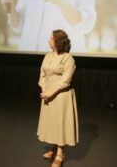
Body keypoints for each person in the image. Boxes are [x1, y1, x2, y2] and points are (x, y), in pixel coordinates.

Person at [37, 30, 78, 167]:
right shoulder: (48, 56)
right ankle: (55, 148)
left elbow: (66, 80)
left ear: (58, 41)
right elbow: (42, 74)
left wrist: (51, 93)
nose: (49, 40)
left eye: (51, 38)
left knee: (60, 124)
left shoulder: (68, 59)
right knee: (52, 122)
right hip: (48, 95)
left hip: (61, 96)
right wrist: (44, 90)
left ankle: (60, 154)